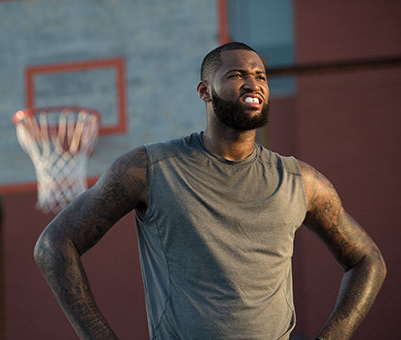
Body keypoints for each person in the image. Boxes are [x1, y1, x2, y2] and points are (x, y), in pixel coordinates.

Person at [33, 42, 386, 340]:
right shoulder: (148, 169)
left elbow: (368, 261)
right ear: (204, 91)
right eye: (237, 75)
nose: (253, 83)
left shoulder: (300, 180)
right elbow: (54, 245)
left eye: (260, 77)